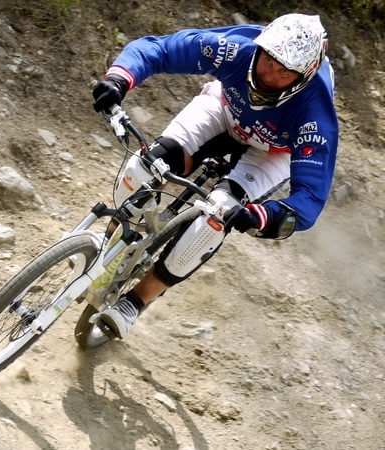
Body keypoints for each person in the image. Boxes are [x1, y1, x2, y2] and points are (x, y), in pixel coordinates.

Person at [89, 13, 338, 339]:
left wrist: (261, 217)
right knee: (146, 166)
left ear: (303, 77)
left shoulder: (316, 115)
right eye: (268, 61)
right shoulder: (238, 49)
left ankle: (134, 303)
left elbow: (310, 199)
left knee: (215, 220)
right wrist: (119, 80)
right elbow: (160, 49)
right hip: (224, 110)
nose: (269, 76)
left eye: (284, 72)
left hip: (272, 151)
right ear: (261, 48)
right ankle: (109, 242)